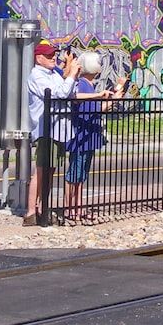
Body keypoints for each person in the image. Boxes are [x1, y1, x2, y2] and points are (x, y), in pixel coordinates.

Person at [23, 41, 78, 223]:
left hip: (58, 129)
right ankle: (31, 212)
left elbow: (69, 92)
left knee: (50, 171)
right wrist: (70, 76)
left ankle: (42, 208)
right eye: (48, 55)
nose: (53, 57)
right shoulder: (37, 76)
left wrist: (69, 74)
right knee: (40, 171)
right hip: (45, 129)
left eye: (53, 54)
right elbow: (60, 93)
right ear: (39, 58)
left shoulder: (53, 73)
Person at [61, 55, 121, 220]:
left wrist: (113, 99)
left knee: (81, 175)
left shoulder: (89, 86)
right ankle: (69, 208)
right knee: (74, 173)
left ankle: (78, 206)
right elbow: (81, 103)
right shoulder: (81, 85)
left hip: (89, 135)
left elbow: (96, 108)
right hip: (81, 135)